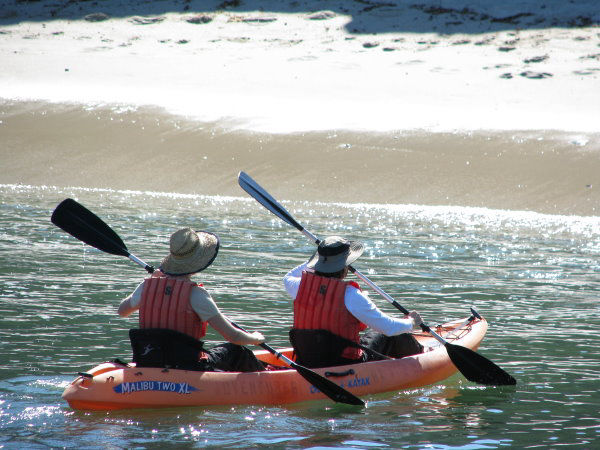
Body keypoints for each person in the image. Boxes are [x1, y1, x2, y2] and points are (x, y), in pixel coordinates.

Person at [118, 227, 266, 372]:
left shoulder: (146, 287)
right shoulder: (197, 294)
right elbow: (234, 336)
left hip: (148, 364)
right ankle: (266, 376)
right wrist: (255, 338)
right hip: (188, 367)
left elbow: (122, 311)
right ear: (198, 263)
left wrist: (153, 281)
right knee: (236, 350)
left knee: (218, 351)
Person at [283, 236, 424, 368]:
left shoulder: (298, 286)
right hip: (346, 363)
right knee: (396, 333)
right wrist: (411, 322)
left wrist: (323, 258)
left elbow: (288, 276)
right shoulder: (351, 294)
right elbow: (388, 327)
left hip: (308, 361)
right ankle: (423, 359)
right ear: (345, 267)